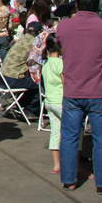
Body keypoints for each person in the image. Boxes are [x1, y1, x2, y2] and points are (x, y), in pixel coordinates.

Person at [55, 0, 102, 193]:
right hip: (99, 90)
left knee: (70, 137)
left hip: (73, 89)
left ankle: (69, 179)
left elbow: (59, 45)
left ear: (77, 4)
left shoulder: (64, 27)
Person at [0, 22, 44, 119]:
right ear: (39, 32)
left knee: (29, 80)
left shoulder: (22, 39)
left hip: (2, 78)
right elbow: (39, 61)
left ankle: (22, 106)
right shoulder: (35, 43)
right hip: (12, 80)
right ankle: (31, 109)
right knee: (38, 83)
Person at [41, 34, 64, 175]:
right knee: (74, 132)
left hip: (49, 101)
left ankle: (57, 164)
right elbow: (65, 81)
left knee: (55, 132)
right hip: (61, 101)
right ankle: (76, 163)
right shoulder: (60, 64)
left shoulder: (46, 64)